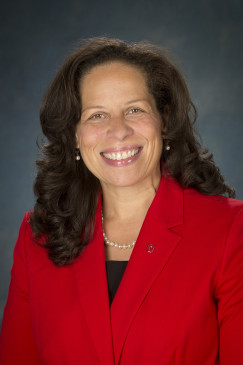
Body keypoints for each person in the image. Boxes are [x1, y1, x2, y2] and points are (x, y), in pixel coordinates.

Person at [0, 37, 242, 365]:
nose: (118, 130)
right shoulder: (37, 237)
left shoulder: (229, 229)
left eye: (134, 110)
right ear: (74, 134)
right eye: (97, 115)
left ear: (164, 120)